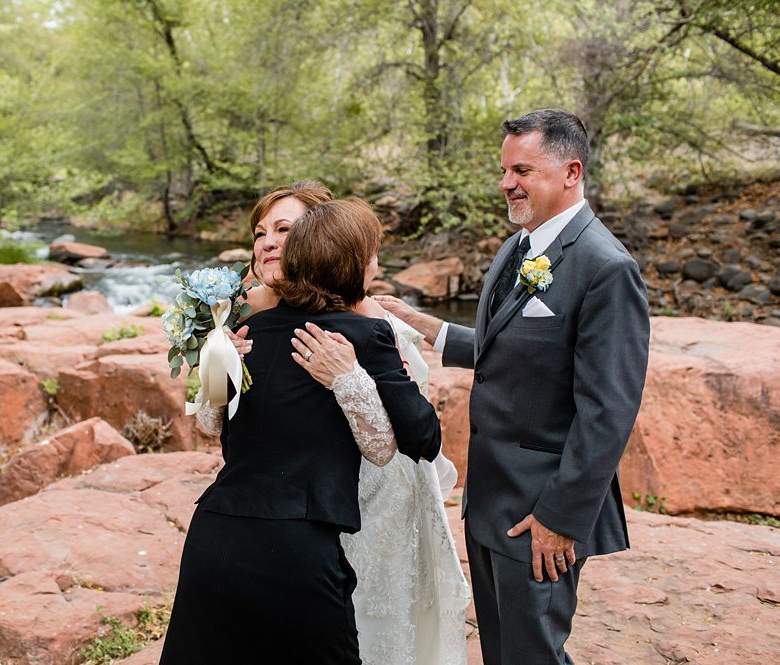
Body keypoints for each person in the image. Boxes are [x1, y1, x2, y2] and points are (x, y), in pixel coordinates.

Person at [376, 108, 649, 664]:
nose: (506, 183)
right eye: (505, 170)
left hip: (539, 514)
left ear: (571, 172)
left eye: (521, 170)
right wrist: (429, 329)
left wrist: (560, 519)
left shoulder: (606, 268)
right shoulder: (518, 247)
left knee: (533, 656)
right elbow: (519, 347)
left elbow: (608, 411)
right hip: (490, 501)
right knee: (502, 653)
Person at [160, 198, 442, 664]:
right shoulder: (363, 334)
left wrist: (219, 358)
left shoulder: (248, 329)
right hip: (298, 547)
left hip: (214, 533)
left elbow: (211, 425)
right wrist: (349, 379)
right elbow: (407, 444)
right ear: (350, 262)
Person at [240, 181, 472, 665]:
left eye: (286, 229)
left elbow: (412, 428)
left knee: (370, 618)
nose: (269, 243)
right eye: (261, 232)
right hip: (297, 508)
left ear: (321, 238)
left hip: (378, 494)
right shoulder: (248, 316)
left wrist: (350, 379)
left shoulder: (370, 320)